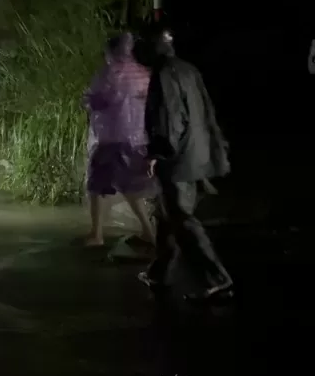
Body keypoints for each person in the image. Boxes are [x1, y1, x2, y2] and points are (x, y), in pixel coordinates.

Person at [140, 26, 234, 301]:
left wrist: (158, 153)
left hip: (178, 158)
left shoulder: (165, 73)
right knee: (167, 215)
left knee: (181, 218)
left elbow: (171, 117)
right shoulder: (188, 69)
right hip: (194, 152)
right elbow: (206, 110)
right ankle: (159, 271)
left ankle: (217, 278)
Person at [82, 33, 157, 246]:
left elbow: (93, 101)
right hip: (137, 140)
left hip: (110, 139)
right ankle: (149, 232)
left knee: (97, 186)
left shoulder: (108, 74)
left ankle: (96, 234)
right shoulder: (143, 73)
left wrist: (91, 102)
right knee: (132, 188)